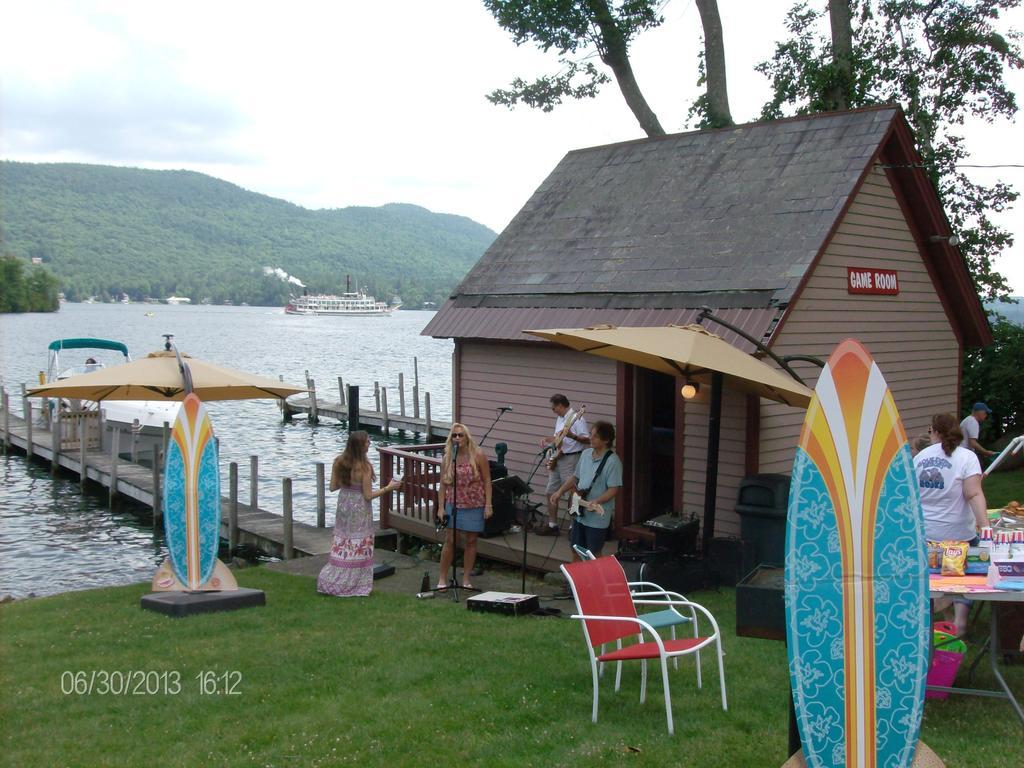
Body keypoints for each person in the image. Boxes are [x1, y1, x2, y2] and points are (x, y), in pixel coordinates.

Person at [914, 413, 988, 635]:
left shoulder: (918, 458)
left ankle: (927, 628)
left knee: (929, 582)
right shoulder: (967, 457)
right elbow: (973, 493)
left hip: (926, 536)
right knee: (971, 575)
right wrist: (986, 528)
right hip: (959, 536)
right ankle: (960, 620)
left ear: (934, 432)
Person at [317, 431, 400, 597]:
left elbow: (333, 487)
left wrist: (347, 481)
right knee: (359, 542)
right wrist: (388, 488)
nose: (369, 443)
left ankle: (335, 578)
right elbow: (368, 495)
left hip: (344, 505)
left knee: (344, 540)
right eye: (367, 442)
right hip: (360, 508)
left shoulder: (339, 462)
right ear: (359, 446)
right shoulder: (364, 467)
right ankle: (355, 583)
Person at [549, 421, 622, 558]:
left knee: (593, 553)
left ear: (606, 440)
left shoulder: (613, 461)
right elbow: (575, 477)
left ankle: (596, 579)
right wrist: (559, 492)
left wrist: (597, 501)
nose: (591, 439)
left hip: (597, 518)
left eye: (595, 436)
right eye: (591, 435)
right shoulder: (586, 454)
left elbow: (613, 489)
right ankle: (577, 579)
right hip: (579, 513)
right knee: (575, 549)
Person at [436, 423, 492, 589]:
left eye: (460, 435)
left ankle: (466, 578)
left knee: (471, 540)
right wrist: (441, 507)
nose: (457, 438)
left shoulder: (478, 455)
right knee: (450, 541)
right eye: (454, 435)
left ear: (467, 437)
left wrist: (488, 504)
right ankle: (442, 578)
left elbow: (487, 480)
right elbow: (443, 485)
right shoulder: (448, 457)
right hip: (454, 503)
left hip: (475, 503)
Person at [537, 394, 589, 536]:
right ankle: (552, 524)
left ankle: (574, 526)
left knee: (572, 493)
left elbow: (587, 440)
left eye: (554, 408)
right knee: (550, 491)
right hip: (558, 457)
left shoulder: (577, 419)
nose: (553, 411)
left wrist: (573, 436)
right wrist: (547, 439)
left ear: (560, 405)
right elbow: (558, 438)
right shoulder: (560, 419)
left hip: (571, 458)